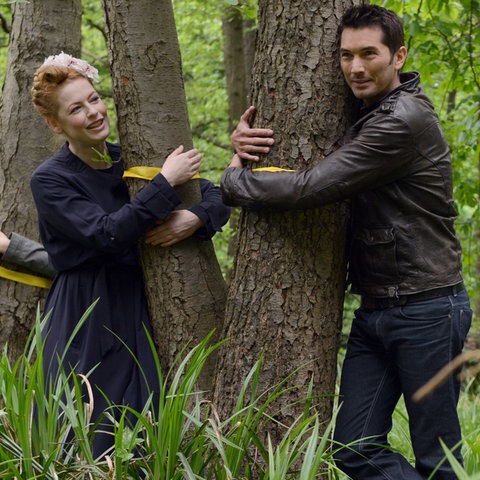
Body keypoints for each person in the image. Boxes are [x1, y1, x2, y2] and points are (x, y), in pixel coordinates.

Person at [221, 5, 471, 479]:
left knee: (438, 459)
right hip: (376, 310)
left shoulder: (401, 121)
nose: (356, 67)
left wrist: (231, 181)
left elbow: (306, 187)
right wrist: (243, 143)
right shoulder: (368, 112)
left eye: (369, 54)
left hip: (428, 310)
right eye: (345, 55)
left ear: (398, 56)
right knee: (353, 448)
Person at [29, 52, 230, 456]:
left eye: (94, 99)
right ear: (55, 123)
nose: (93, 112)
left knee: (148, 422)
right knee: (93, 429)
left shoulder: (129, 159)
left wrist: (193, 217)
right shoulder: (50, 179)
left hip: (141, 301)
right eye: (76, 108)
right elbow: (106, 233)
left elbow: (217, 193)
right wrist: (166, 182)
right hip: (86, 313)